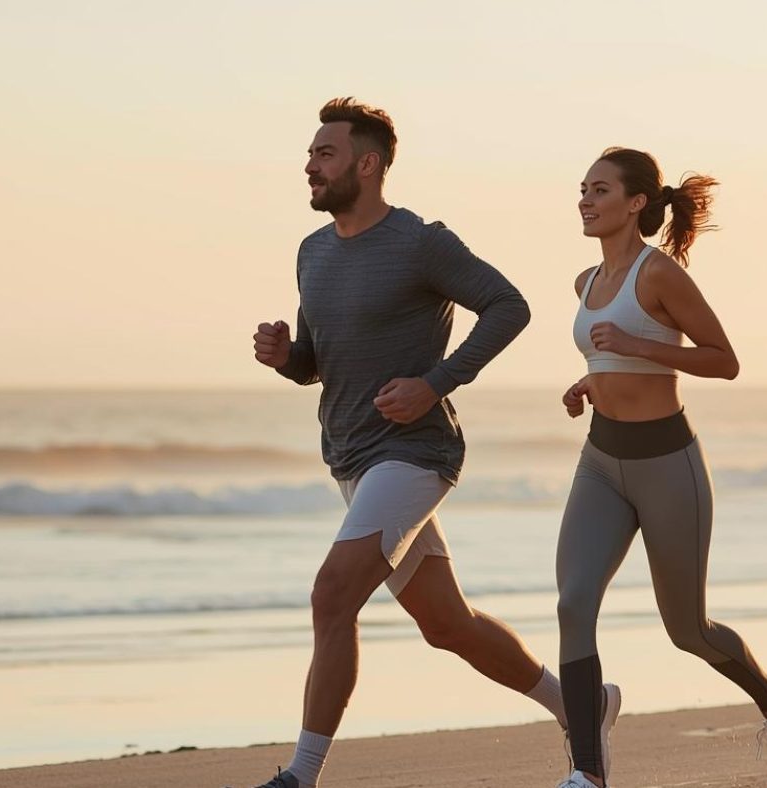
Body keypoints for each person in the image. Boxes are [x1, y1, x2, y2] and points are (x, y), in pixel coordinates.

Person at [246, 97, 605, 788]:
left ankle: (300, 776)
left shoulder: (419, 241)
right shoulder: (312, 252)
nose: (310, 166)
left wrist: (434, 384)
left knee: (331, 596)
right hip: (350, 457)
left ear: (368, 163)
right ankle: (582, 710)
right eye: (312, 154)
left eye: (325, 154)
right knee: (447, 625)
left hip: (415, 454)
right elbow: (317, 361)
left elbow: (509, 305)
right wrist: (286, 356)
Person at [554, 148, 767, 788]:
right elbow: (612, 355)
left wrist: (638, 346)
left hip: (667, 464)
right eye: (582, 190)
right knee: (573, 602)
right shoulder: (585, 281)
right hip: (600, 460)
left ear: (636, 203)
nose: (585, 200)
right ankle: (587, 773)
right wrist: (589, 382)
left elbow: (723, 359)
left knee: (687, 630)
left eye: (600, 190)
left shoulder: (660, 274)